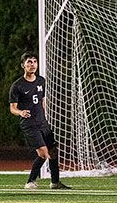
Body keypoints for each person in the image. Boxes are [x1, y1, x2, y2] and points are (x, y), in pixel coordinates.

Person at [9, 52, 71, 190]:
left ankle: (55, 183)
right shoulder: (17, 86)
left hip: (42, 122)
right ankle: (30, 182)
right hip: (29, 124)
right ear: (23, 65)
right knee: (43, 153)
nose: (32, 64)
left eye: (34, 62)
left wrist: (44, 117)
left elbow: (42, 101)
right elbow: (12, 108)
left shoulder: (41, 81)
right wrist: (21, 112)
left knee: (53, 151)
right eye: (29, 62)